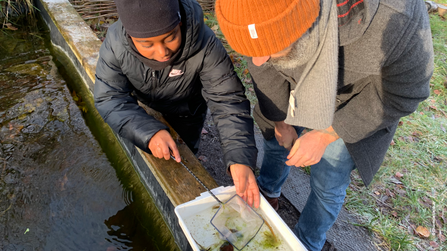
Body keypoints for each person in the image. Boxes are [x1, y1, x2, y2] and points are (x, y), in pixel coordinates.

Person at [215, 0, 434, 250]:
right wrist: (279, 121)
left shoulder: (395, 16)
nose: (258, 59)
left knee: (328, 177)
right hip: (292, 81)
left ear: (302, 18)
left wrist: (326, 134)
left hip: (352, 102)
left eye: (272, 45)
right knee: (277, 140)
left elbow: (406, 92)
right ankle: (267, 195)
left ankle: (306, 241)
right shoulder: (253, 20)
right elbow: (261, 63)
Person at [94, 0, 260, 206]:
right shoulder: (115, 44)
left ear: (180, 23)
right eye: (148, 45)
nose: (163, 52)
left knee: (186, 151)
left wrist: (240, 157)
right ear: (130, 36)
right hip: (147, 108)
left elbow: (227, 99)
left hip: (188, 112)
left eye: (170, 37)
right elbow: (109, 97)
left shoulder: (205, 44)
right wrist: (149, 131)